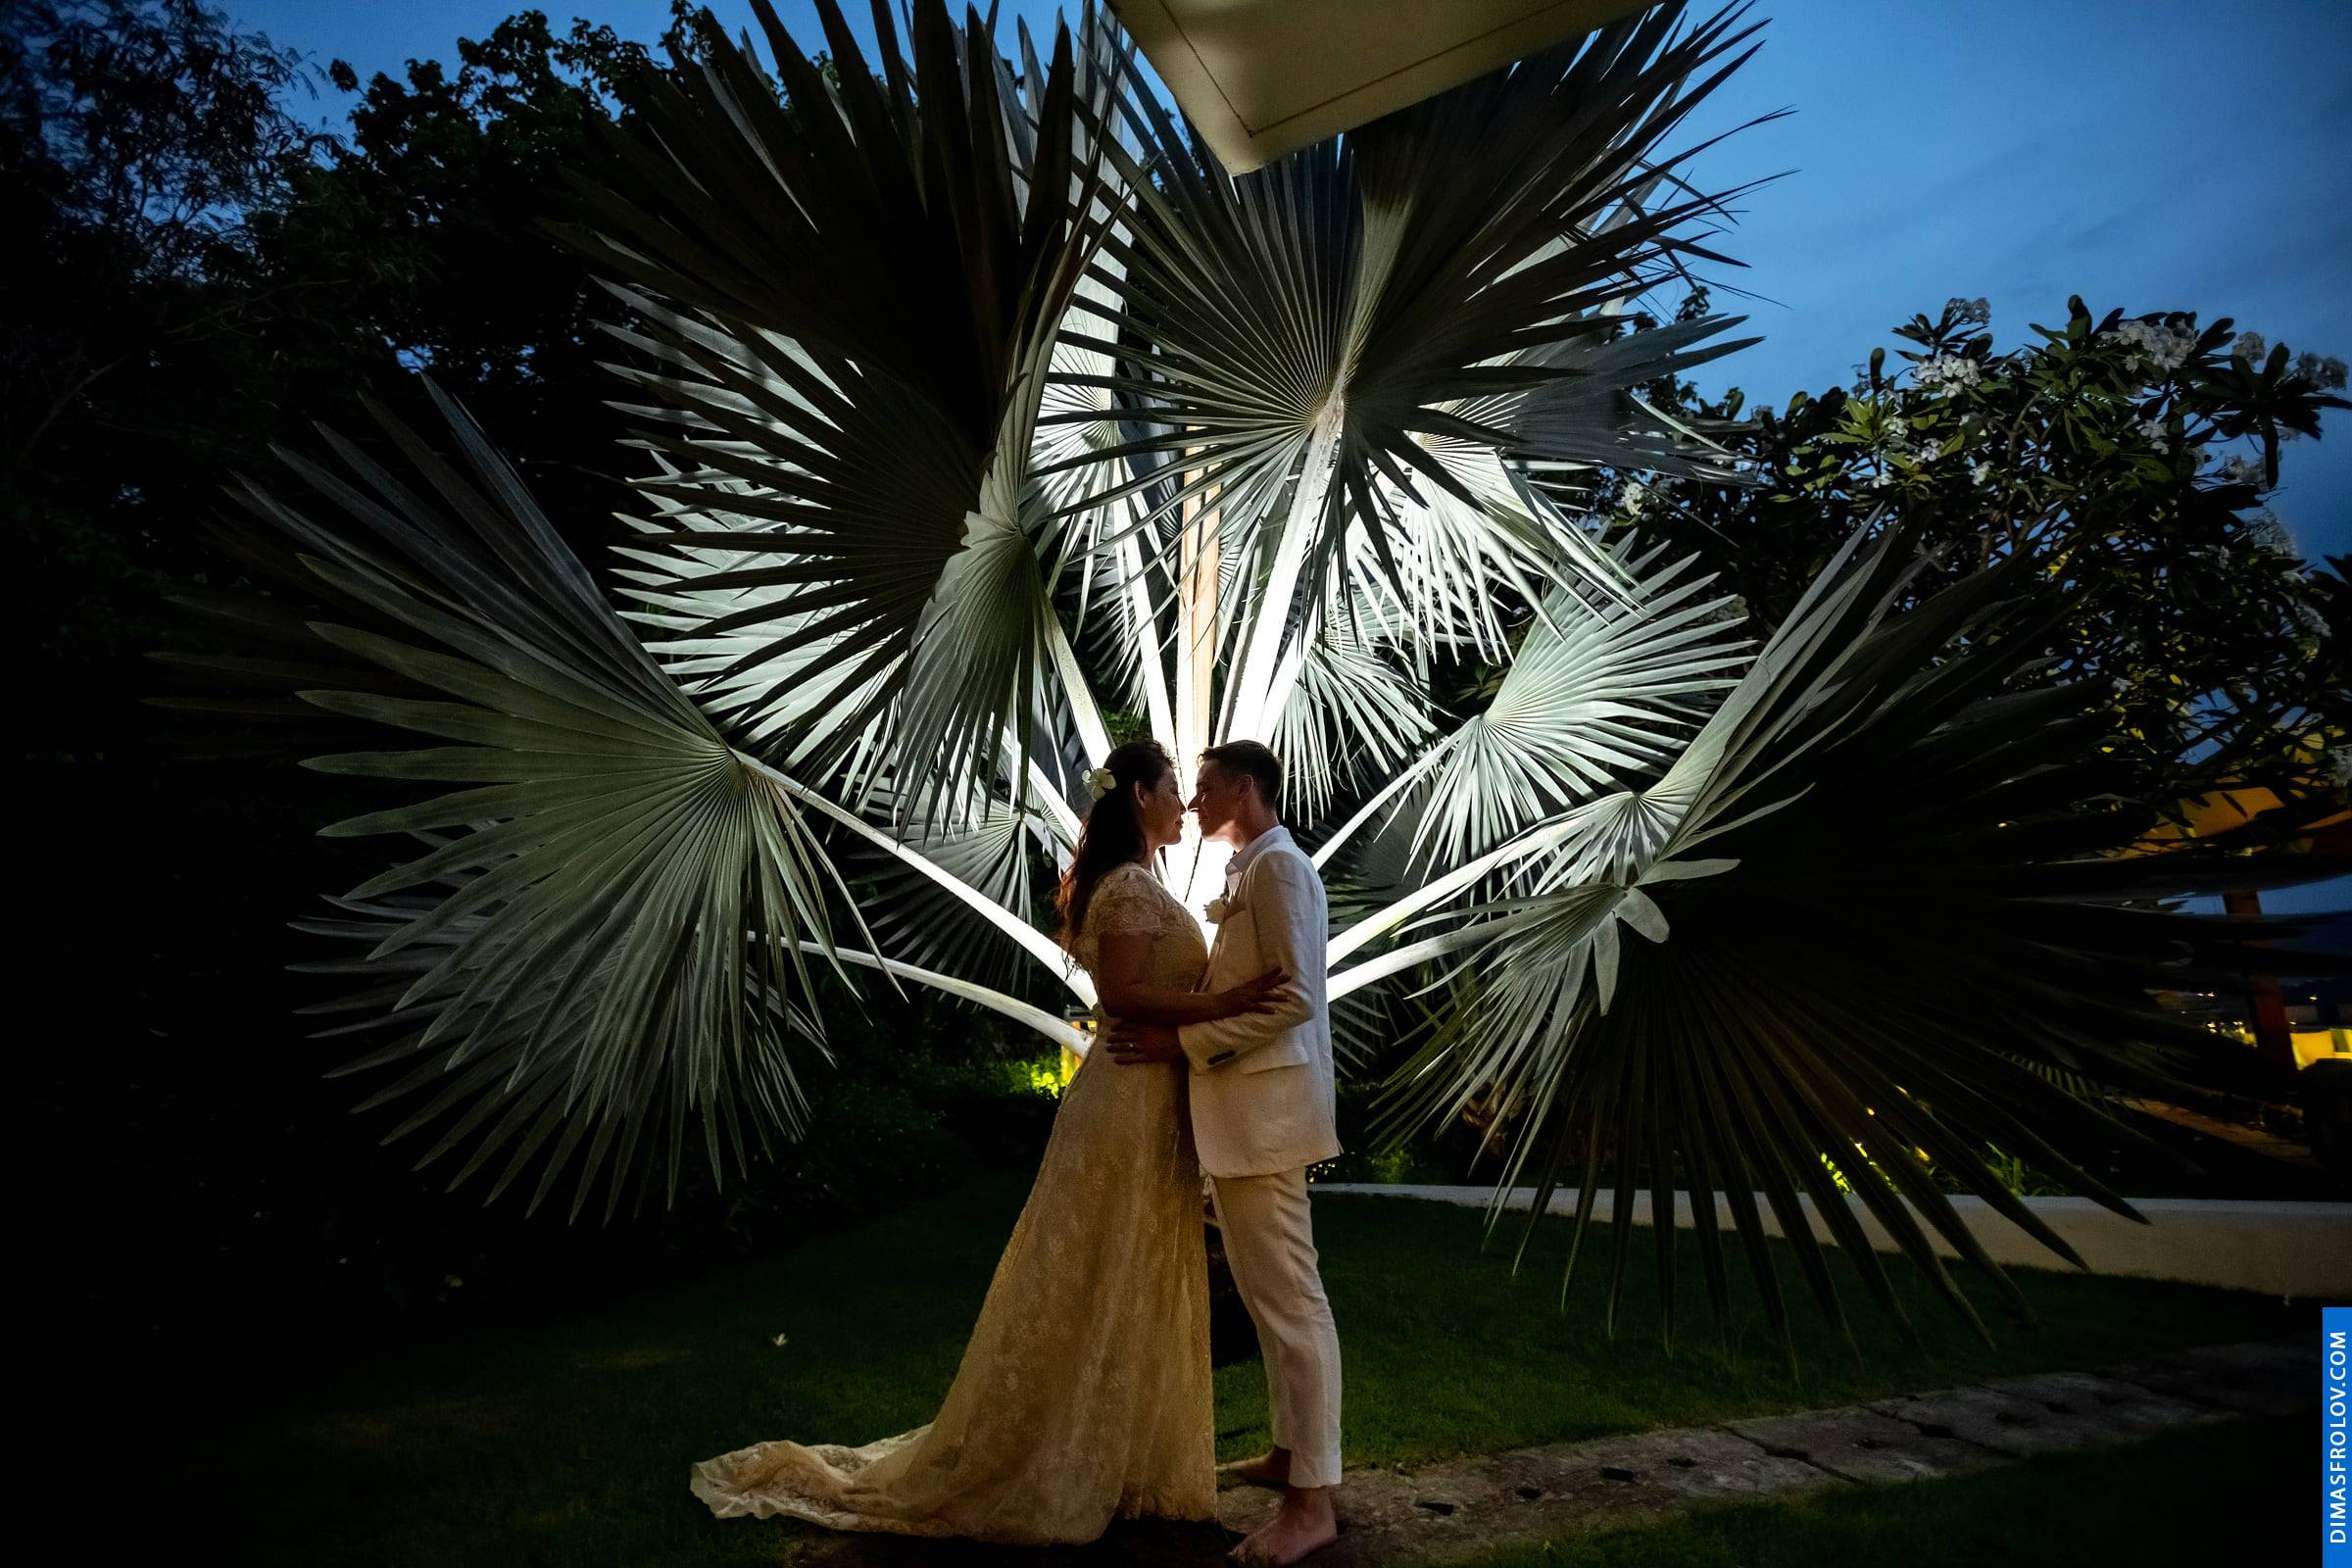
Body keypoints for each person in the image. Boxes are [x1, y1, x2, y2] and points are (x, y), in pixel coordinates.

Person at [687, 738, 1290, 1546]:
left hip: (1154, 1099)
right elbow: (1121, 995)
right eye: (1173, 787)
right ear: (1140, 797)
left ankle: (1122, 1456)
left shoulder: (1140, 882)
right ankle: (1061, 1455)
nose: (1184, 803)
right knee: (1100, 1265)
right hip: (1124, 1103)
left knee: (1134, 1266)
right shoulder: (1125, 887)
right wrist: (1229, 1004)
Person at [1107, 739, 1345, 1567]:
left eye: (1206, 788)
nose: (1195, 801)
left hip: (1266, 1120)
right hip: (1247, 1120)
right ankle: (1290, 1455)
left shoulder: (1279, 869)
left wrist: (1184, 1044)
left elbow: (1296, 996)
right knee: (1271, 1299)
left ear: (1246, 788)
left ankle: (1311, 1505)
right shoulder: (1253, 868)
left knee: (1292, 1305)